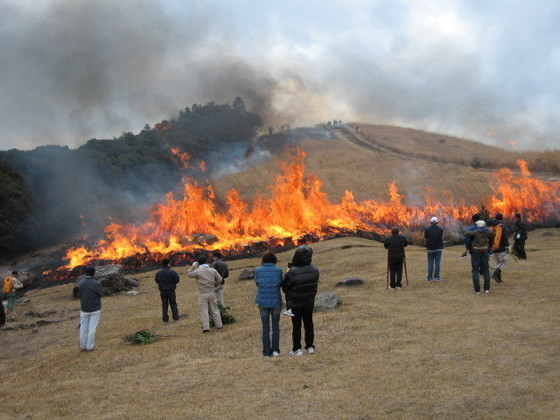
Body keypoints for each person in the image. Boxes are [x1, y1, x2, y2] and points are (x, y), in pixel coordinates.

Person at [282, 245, 319, 356]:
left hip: (296, 304)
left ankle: (297, 349)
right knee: (309, 324)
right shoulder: (314, 270)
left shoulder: (292, 272)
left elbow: (285, 288)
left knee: (296, 326)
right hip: (309, 302)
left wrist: (288, 273)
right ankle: (310, 347)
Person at [254, 251, 284, 357]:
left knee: (265, 327)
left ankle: (266, 352)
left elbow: (257, 283)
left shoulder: (258, 270)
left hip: (262, 301)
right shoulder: (279, 270)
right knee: (275, 325)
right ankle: (275, 350)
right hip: (276, 300)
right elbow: (281, 283)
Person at [187, 255, 223, 333]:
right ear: (206, 262)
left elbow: (189, 274)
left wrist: (193, 266)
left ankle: (206, 328)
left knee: (203, 311)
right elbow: (220, 279)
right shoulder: (212, 270)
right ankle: (219, 325)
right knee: (215, 309)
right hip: (211, 292)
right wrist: (215, 285)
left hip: (202, 294)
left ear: (199, 264)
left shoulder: (197, 271)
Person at [464, 220, 495, 295]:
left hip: (475, 252)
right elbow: (493, 235)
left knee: (475, 271)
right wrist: (490, 246)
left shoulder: (475, 232)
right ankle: (487, 289)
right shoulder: (487, 232)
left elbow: (466, 234)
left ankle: (477, 290)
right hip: (485, 252)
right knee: (486, 271)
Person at [78, 266, 103, 351]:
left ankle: (83, 346)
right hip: (95, 308)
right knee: (92, 328)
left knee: (83, 328)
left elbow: (80, 294)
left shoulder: (80, 283)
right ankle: (90, 346)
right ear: (93, 273)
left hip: (84, 308)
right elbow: (101, 294)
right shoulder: (97, 283)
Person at [155, 258, 180, 323]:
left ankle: (165, 320)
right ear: (168, 264)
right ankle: (176, 318)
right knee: (173, 304)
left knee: (164, 305)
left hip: (163, 291)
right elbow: (177, 280)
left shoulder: (158, 273)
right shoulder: (172, 272)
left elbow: (157, 281)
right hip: (171, 291)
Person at [487, 213, 509, 283]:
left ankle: (499, 279)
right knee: (504, 262)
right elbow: (504, 237)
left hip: (492, 247)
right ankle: (495, 274)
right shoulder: (502, 227)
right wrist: (507, 244)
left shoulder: (490, 226)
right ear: (501, 218)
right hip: (501, 247)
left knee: (497, 262)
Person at [425, 216, 444, 281]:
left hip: (430, 248)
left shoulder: (427, 229)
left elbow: (426, 237)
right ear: (437, 222)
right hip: (438, 248)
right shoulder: (441, 229)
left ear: (430, 221)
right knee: (437, 262)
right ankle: (437, 277)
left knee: (430, 263)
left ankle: (430, 277)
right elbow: (441, 236)